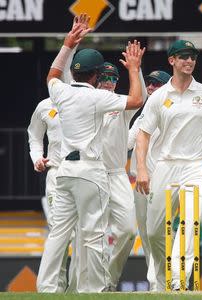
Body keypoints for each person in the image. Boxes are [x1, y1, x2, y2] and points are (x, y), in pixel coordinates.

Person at [36, 14, 145, 292]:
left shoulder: (59, 93)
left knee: (59, 233)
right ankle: (93, 290)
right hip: (89, 171)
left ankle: (46, 288)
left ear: (76, 71)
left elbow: (52, 74)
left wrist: (68, 44)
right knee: (93, 234)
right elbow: (136, 100)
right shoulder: (98, 97)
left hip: (65, 173)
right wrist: (133, 68)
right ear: (96, 76)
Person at [134, 40, 202, 291]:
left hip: (195, 167)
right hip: (165, 167)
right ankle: (161, 282)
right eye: (183, 56)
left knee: (188, 222)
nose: (189, 61)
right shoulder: (159, 97)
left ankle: (177, 280)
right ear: (172, 60)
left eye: (192, 57)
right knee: (153, 233)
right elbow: (143, 135)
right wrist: (141, 168)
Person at [98, 61, 146, 291]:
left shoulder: (121, 104)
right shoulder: (84, 101)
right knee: (90, 234)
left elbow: (142, 97)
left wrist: (134, 70)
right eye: (105, 78)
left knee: (128, 230)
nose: (109, 82)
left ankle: (110, 280)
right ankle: (88, 285)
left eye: (113, 78)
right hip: (91, 173)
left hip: (117, 175)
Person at [127, 70, 171, 291]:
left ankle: (161, 282)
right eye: (150, 84)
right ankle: (156, 283)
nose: (151, 88)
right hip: (139, 183)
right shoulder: (142, 117)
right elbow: (126, 142)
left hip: (162, 181)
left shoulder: (170, 113)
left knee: (160, 233)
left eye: (157, 84)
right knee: (146, 235)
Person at [28, 97, 68, 292]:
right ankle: (54, 289)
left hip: (86, 171)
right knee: (57, 230)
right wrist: (37, 156)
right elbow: (34, 134)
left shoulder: (89, 97)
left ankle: (80, 287)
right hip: (56, 172)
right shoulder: (45, 105)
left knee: (85, 233)